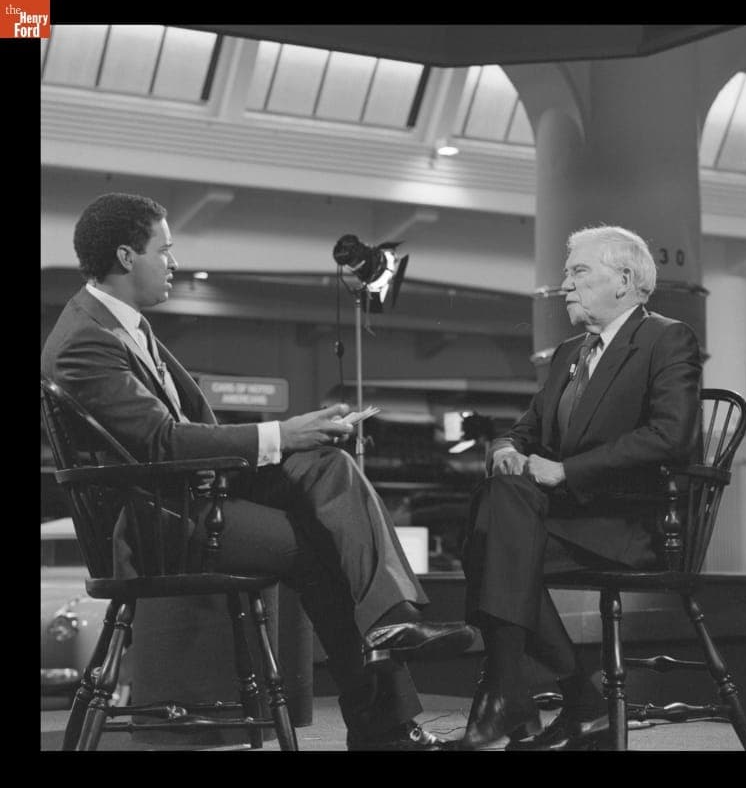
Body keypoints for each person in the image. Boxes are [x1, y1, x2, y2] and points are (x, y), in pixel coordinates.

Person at [41, 192, 477, 751]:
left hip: (188, 500)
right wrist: (279, 434)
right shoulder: (85, 339)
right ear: (127, 257)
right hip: (160, 527)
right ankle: (382, 726)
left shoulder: (120, 324)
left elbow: (177, 436)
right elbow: (161, 442)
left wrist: (298, 434)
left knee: (328, 461)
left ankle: (391, 618)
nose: (173, 262)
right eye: (164, 250)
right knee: (318, 548)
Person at [456, 225, 702, 750]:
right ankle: (561, 698)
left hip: (630, 524)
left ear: (625, 280)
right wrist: (504, 451)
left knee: (492, 540)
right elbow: (521, 433)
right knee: (500, 504)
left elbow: (670, 436)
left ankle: (513, 691)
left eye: (578, 272)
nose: (564, 285)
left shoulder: (666, 337)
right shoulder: (570, 352)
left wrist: (567, 471)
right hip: (563, 523)